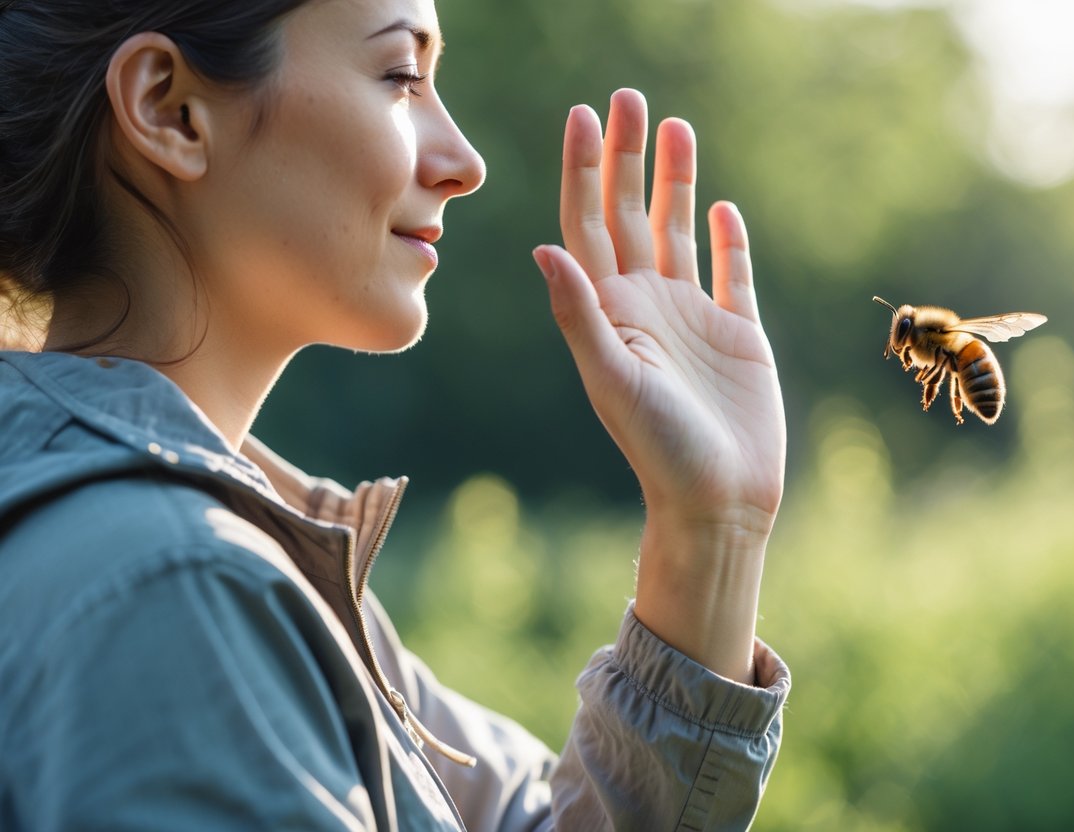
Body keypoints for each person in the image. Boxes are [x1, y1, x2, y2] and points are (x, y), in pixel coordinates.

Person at [0, 0, 790, 828]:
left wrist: (710, 531)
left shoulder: (247, 560)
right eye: (400, 77)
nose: (462, 160)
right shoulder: (175, 586)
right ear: (171, 108)